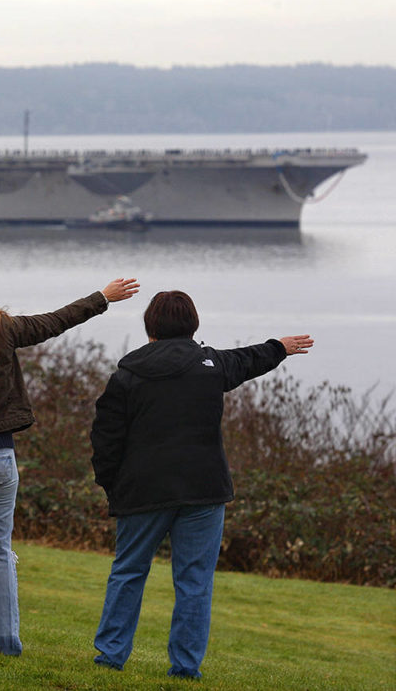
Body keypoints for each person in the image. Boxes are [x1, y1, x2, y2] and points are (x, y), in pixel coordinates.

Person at [89, 290, 313, 679]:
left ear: (150, 327)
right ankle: (185, 667)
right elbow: (248, 359)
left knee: (128, 572)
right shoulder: (211, 366)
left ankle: (110, 657)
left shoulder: (126, 376)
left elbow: (105, 440)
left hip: (142, 491)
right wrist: (279, 347)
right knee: (194, 582)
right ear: (193, 324)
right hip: (204, 490)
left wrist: (113, 486)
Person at [0, 253, 139, 655]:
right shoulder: (3, 328)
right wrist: (102, 297)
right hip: (0, 451)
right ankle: (4, 641)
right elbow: (56, 321)